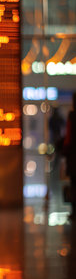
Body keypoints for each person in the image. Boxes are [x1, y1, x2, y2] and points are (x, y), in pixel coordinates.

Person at [63, 92, 76, 220]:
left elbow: (68, 138)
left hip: (73, 159)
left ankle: (74, 211)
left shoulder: (72, 117)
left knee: (74, 185)